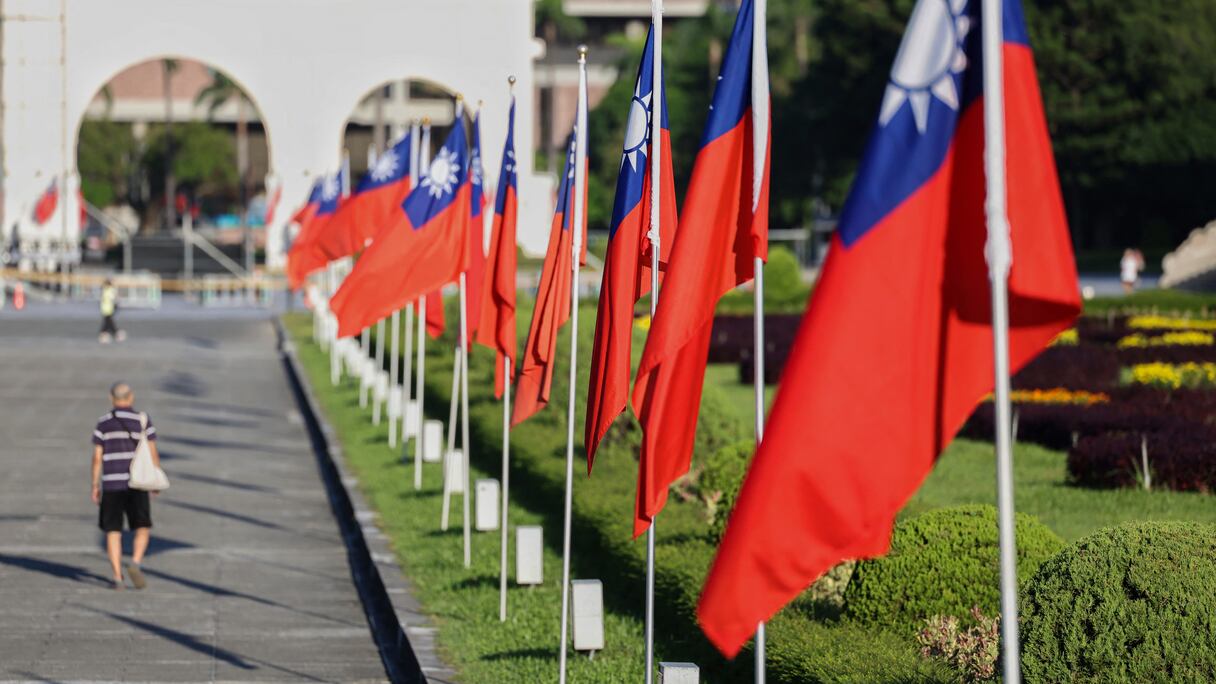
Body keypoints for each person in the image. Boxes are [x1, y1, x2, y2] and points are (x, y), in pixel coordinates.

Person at [91, 381, 161, 590]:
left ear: (112, 399)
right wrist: (155, 479)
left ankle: (117, 577)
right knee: (142, 526)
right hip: (137, 483)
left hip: (111, 483)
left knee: (113, 530)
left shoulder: (103, 423)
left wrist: (95, 484)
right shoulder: (142, 420)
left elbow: (97, 458)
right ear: (131, 397)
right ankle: (136, 562)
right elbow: (152, 452)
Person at [98, 279, 125, 343]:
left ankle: (107, 334)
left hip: (108, 308)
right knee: (108, 322)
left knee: (108, 322)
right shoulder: (107, 290)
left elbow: (114, 299)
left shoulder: (109, 290)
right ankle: (114, 334)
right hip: (106, 308)